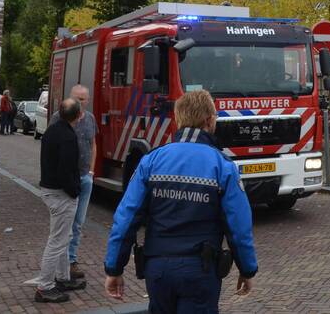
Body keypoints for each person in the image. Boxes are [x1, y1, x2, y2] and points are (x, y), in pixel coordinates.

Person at [104, 90, 257, 313]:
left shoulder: (151, 160)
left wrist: (114, 268)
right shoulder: (222, 166)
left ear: (178, 119)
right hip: (200, 269)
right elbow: (239, 226)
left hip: (157, 268)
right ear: (209, 121)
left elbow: (126, 218)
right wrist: (247, 269)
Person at [35, 98, 85, 303]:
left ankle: (63, 277)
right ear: (79, 115)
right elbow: (66, 170)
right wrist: (74, 191)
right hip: (61, 194)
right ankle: (44, 286)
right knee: (57, 241)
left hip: (50, 190)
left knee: (64, 236)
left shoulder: (52, 131)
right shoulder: (68, 137)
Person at [67, 85, 97, 280]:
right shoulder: (60, 118)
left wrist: (92, 171)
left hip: (86, 177)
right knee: (66, 223)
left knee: (78, 223)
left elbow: (93, 145)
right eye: (76, 98)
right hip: (68, 179)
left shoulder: (91, 119)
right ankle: (62, 261)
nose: (79, 102)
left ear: (88, 100)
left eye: (83, 99)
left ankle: (72, 260)